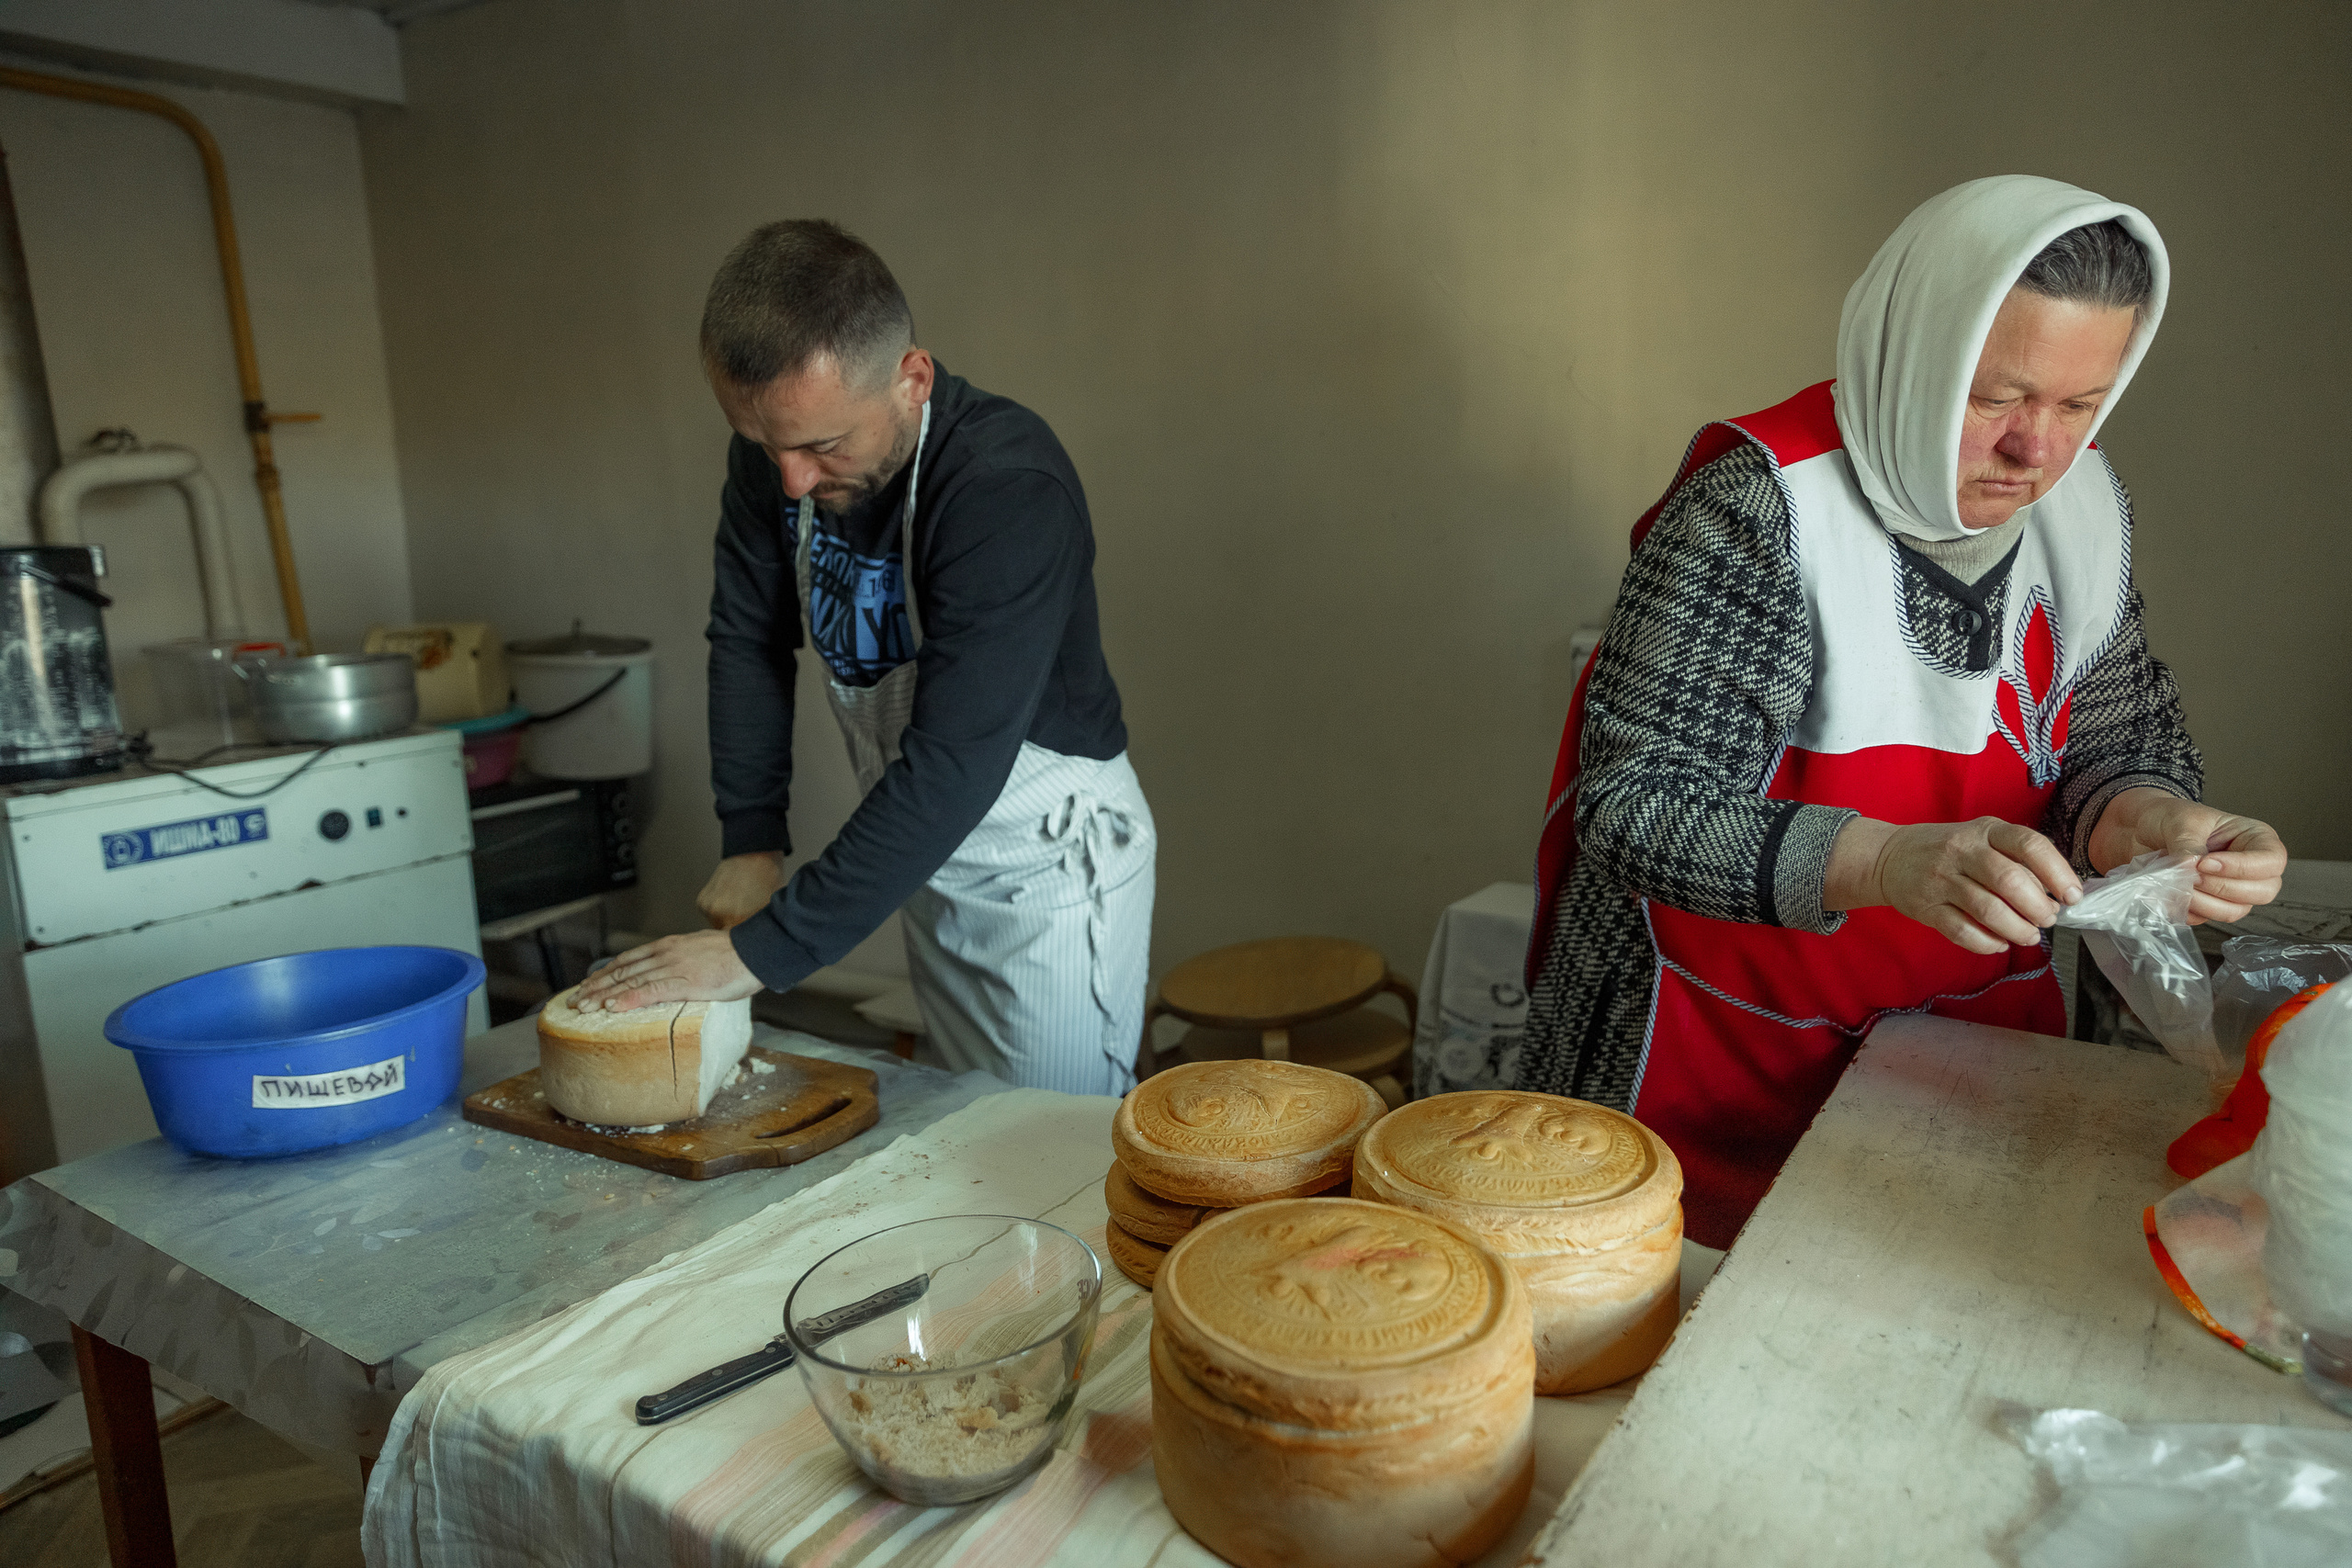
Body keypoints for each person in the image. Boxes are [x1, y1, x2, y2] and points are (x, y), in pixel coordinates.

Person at [1520, 175, 2286, 1249]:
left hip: (1960, 1046)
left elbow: (2109, 735)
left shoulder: (2080, 507)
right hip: (1709, 1046)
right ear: (1912, 352)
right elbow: (1637, 806)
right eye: (1995, 397)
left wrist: (2150, 820)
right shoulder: (1766, 505)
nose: (2037, 451)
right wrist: (1884, 862)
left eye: (2079, 405)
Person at [574, 220, 1154, 1096]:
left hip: (1043, 872)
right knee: (973, 1133)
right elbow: (746, 636)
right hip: (929, 860)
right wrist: (753, 834)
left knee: (1056, 1164)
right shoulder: (776, 454)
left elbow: (956, 762)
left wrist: (755, 953)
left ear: (911, 378)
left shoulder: (1005, 487)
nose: (792, 480)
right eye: (767, 446)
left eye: (822, 446)